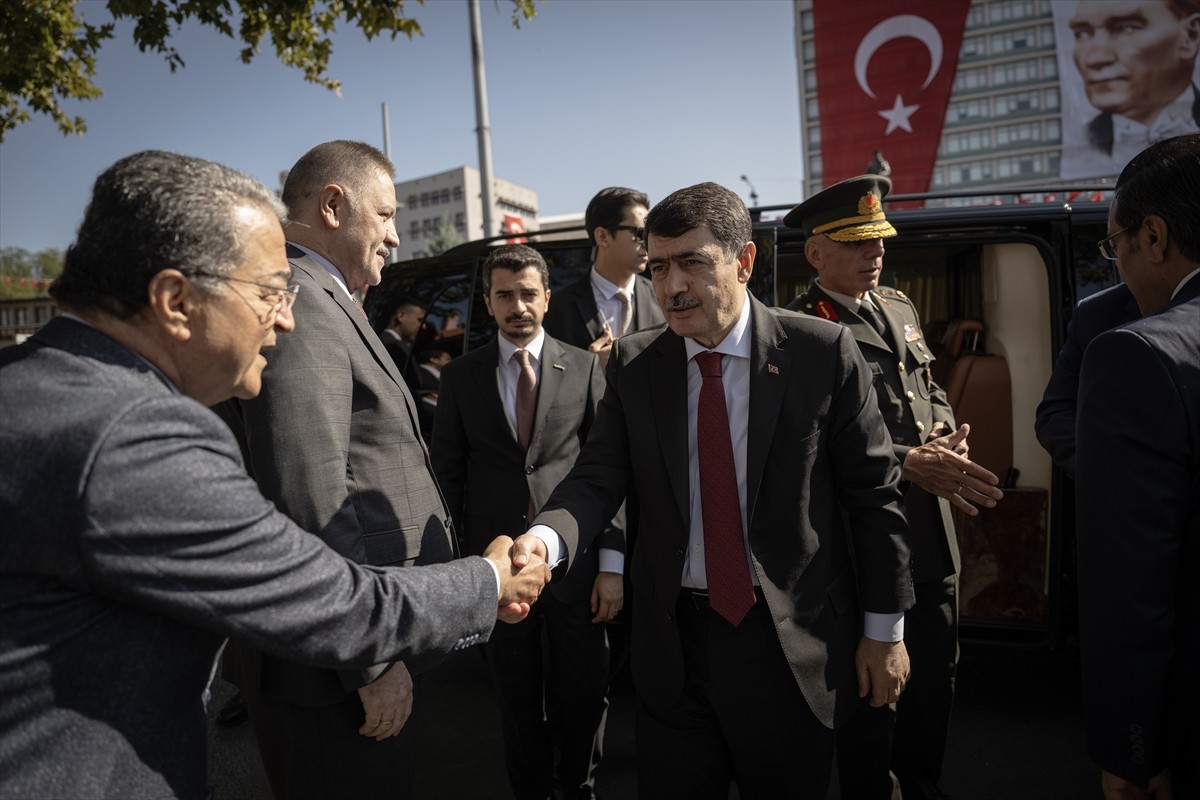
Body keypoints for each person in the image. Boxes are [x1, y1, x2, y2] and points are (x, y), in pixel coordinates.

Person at [0, 150, 549, 800]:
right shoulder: (132, 435)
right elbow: (337, 606)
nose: (286, 318)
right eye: (268, 293)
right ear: (176, 300)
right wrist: (491, 580)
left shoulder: (36, 386)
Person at [511, 181, 917, 798]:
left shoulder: (820, 352)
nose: (672, 287)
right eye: (659, 267)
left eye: (694, 263)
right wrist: (544, 541)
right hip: (674, 649)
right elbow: (597, 478)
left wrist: (884, 632)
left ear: (744, 261)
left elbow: (874, 497)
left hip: (788, 644)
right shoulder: (633, 365)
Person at [211, 140, 453, 800]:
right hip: (333, 673)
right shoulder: (303, 302)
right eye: (386, 214)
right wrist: (370, 660)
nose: (396, 235)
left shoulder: (321, 296)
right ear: (334, 204)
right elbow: (308, 493)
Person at [784, 175, 1004, 800]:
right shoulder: (800, 328)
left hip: (931, 534)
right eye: (857, 243)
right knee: (872, 692)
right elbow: (807, 442)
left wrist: (944, 434)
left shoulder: (900, 308)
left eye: (878, 240)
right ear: (817, 253)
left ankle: (923, 786)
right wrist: (910, 461)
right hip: (860, 546)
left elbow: (925, 392)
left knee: (936, 681)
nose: (874, 254)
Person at [432, 244, 622, 800]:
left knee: (586, 694)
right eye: (505, 295)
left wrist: (611, 564)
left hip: (577, 570)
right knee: (516, 700)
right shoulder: (462, 377)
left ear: (546, 297)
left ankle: (579, 788)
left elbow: (609, 471)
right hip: (496, 574)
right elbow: (447, 476)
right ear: (488, 303)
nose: (518, 306)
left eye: (529, 294)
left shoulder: (584, 366)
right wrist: (462, 573)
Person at [1075, 132, 1200, 800]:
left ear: (1153, 237)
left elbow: (1132, 580)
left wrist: (1131, 744)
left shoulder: (1136, 355)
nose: (1116, 263)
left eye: (1113, 244)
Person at [543, 186, 665, 367]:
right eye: (640, 233)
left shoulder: (662, 296)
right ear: (602, 236)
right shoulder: (557, 308)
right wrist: (590, 369)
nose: (647, 243)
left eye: (650, 234)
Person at [1068, 0, 1200, 165]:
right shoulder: (1083, 138)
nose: (1094, 59)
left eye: (1125, 28)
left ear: (1190, 35)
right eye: (1082, 34)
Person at [1034, 282, 1140, 476]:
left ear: (1158, 250)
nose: (1117, 262)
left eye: (1116, 250)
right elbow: (1055, 414)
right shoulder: (1096, 313)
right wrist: (1111, 473)